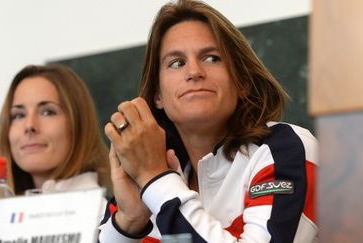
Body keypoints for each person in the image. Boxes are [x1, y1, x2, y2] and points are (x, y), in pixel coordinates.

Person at [99, 0, 318, 242]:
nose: (194, 72)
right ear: (157, 95)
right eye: (177, 63)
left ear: (242, 82)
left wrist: (156, 181)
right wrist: (128, 223)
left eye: (212, 58)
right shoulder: (150, 171)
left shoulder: (286, 148)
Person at [0, 64, 112, 197]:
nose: (29, 126)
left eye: (47, 112)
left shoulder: (102, 214)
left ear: (78, 124)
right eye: (19, 115)